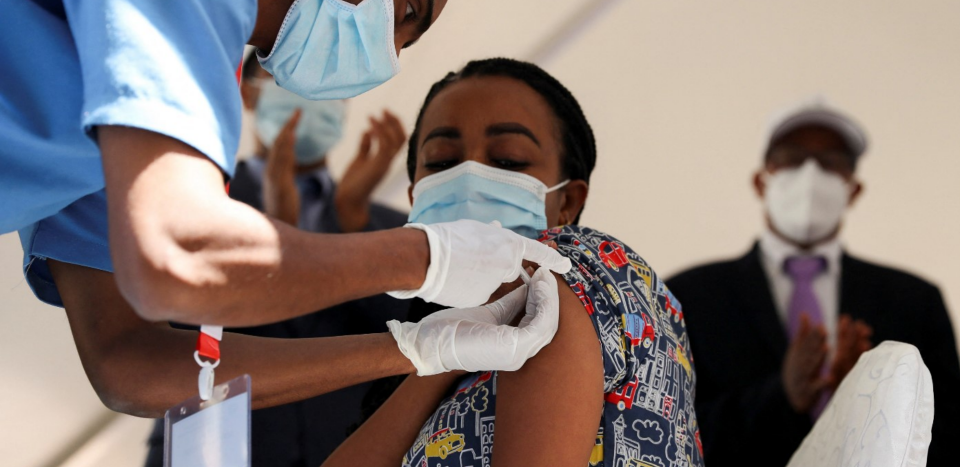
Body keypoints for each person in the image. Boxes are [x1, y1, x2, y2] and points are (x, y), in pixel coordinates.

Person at [2, 0, 571, 417]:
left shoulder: (186, 89)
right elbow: (180, 255)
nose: (391, 54)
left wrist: (420, 349)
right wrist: (425, 257)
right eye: (405, 13)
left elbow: (126, 361)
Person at [320, 58, 705, 467]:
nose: (469, 174)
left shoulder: (569, 278)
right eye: (441, 161)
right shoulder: (436, 339)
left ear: (568, 202)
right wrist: (431, 359)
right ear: (415, 197)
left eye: (507, 160)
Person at [143, 54, 411, 466]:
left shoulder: (390, 231)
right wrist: (271, 236)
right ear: (248, 95)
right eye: (289, 82)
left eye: (326, 88)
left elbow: (415, 340)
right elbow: (170, 332)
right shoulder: (193, 206)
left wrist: (354, 225)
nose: (309, 99)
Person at [667, 101, 960, 466]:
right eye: (791, 158)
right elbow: (665, 432)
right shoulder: (687, 296)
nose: (810, 174)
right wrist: (782, 394)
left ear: (853, 190)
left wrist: (865, 399)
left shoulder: (914, 301)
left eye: (831, 162)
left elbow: (947, 432)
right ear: (761, 181)